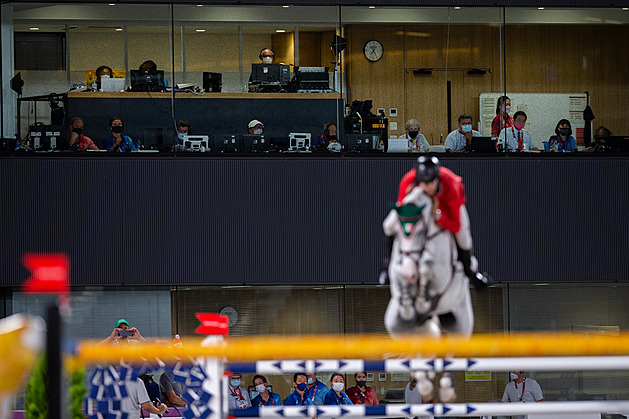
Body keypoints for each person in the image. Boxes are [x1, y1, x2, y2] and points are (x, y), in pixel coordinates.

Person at [392, 156, 489, 291]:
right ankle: (388, 266)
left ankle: (471, 271)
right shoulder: (408, 181)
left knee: (464, 239)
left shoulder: (450, 183)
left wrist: (438, 215)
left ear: (438, 178)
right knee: (388, 226)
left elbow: (455, 226)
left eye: (432, 182)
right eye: (424, 183)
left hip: (446, 207)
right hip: (421, 209)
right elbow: (403, 213)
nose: (428, 187)